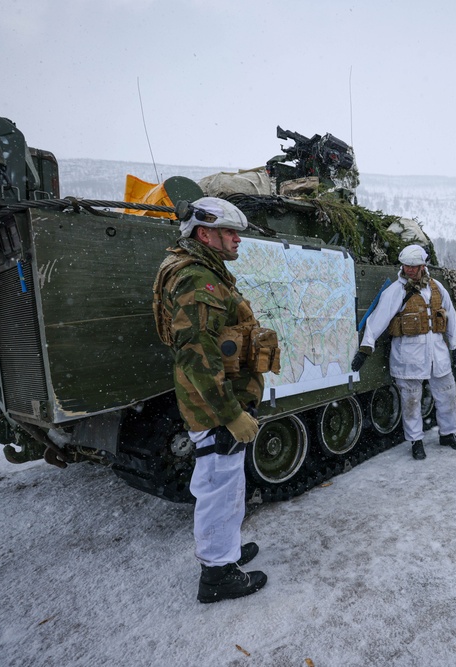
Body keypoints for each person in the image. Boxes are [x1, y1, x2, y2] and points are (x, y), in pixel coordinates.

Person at [153, 197, 276, 603]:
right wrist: (230, 414)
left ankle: (227, 550)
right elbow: (196, 355)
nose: (237, 239)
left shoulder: (207, 273)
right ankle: (216, 574)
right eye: (229, 232)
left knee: (228, 480)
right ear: (205, 234)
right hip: (216, 406)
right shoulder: (196, 281)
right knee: (217, 484)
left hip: (223, 402)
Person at [353, 244, 456, 460]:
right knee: (411, 400)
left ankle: (448, 433)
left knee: (447, 395)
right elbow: (378, 319)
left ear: (423, 266)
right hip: (409, 356)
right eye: (406, 266)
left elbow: (449, 316)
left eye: (413, 266)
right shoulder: (396, 291)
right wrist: (366, 349)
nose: (409, 270)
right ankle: (416, 440)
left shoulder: (437, 288)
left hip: (438, 354)